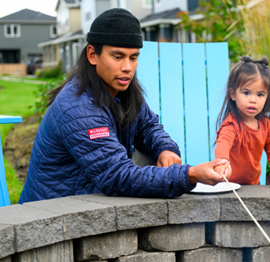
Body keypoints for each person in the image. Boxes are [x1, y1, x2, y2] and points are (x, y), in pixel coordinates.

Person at [19, 8, 230, 204]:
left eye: (133, 57)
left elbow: (148, 127)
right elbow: (117, 176)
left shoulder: (123, 91)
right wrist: (190, 174)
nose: (127, 67)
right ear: (93, 55)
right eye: (117, 57)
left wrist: (164, 149)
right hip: (55, 214)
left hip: (90, 203)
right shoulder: (78, 107)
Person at [214, 56, 270, 190]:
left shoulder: (266, 125)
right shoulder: (231, 125)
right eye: (246, 93)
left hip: (253, 187)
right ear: (233, 94)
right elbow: (223, 144)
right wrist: (221, 164)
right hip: (228, 186)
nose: (253, 100)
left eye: (260, 95)